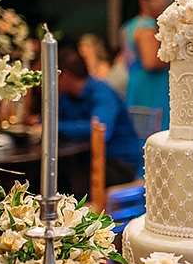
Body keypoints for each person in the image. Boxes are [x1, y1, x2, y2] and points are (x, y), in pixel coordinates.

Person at [57, 46, 144, 191]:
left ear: (64, 75)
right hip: (86, 159)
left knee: (68, 184)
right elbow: (47, 120)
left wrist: (53, 127)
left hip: (118, 162)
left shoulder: (102, 92)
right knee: (56, 177)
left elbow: (101, 130)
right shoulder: (65, 96)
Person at [122, 0, 170, 131]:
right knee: (153, 130)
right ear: (143, 1)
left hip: (136, 81)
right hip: (151, 86)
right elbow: (150, 62)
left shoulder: (130, 25)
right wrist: (175, 59)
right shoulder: (147, 27)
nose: (163, 2)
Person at [78, 32, 128, 98]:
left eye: (87, 47)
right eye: (81, 47)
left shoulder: (105, 66)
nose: (83, 50)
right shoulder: (81, 67)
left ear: (94, 48)